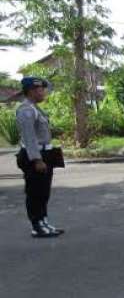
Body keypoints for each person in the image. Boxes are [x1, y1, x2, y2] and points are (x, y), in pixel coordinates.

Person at [15, 76, 64, 238]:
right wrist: (37, 159)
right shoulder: (26, 109)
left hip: (45, 153)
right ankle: (36, 225)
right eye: (40, 89)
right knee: (35, 192)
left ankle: (43, 221)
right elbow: (29, 137)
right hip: (34, 155)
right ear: (31, 91)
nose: (43, 92)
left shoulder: (35, 107)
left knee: (43, 192)